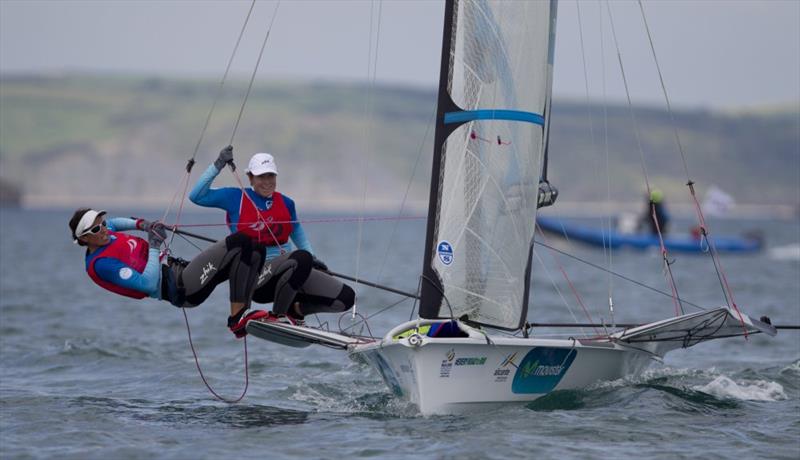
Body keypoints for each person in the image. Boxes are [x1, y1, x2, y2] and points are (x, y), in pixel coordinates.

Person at [69, 208, 348, 338]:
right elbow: (146, 283)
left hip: (183, 270)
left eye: (102, 223)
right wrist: (154, 247)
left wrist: (143, 224)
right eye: (96, 229)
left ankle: (285, 306)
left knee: (253, 245)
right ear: (84, 240)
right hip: (178, 287)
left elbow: (118, 222)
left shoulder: (107, 234)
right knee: (240, 241)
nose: (104, 229)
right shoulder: (101, 264)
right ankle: (238, 318)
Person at [189, 146, 355, 321]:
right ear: (250, 178)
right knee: (302, 258)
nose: (267, 181)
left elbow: (296, 230)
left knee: (346, 298)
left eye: (271, 176)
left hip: (291, 271)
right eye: (261, 176)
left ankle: (296, 310)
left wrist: (313, 259)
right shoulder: (234, 198)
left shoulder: (286, 203)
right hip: (257, 279)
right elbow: (196, 196)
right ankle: (277, 316)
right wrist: (218, 165)